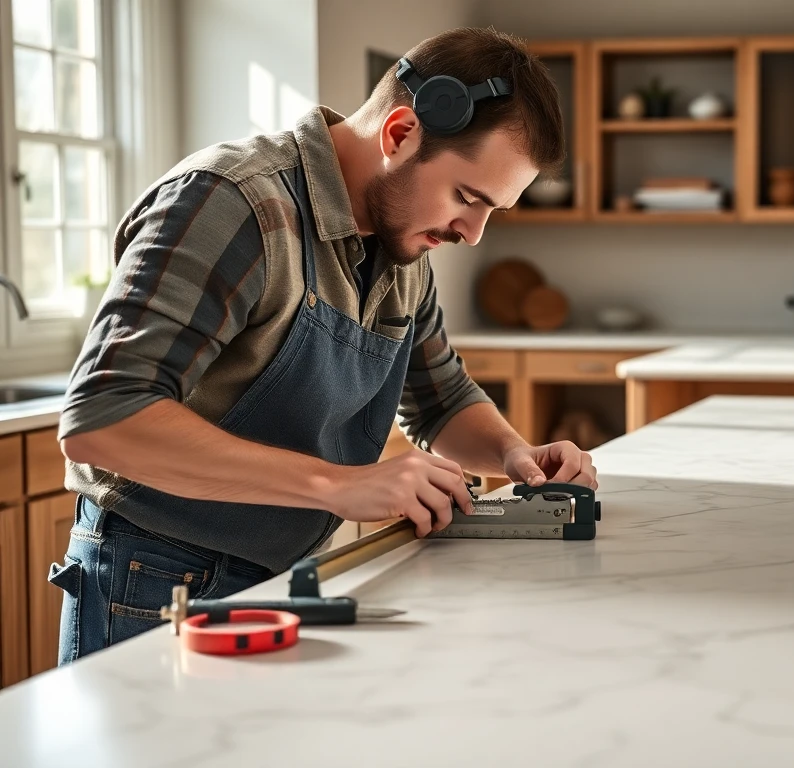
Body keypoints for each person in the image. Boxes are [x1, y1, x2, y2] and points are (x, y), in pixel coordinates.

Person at [49, 27, 596, 664]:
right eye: (468, 197)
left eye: (491, 210)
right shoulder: (235, 203)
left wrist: (517, 455)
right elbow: (101, 419)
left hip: (289, 574)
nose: (473, 234)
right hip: (152, 581)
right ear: (399, 134)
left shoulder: (403, 248)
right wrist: (336, 484)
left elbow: (440, 400)